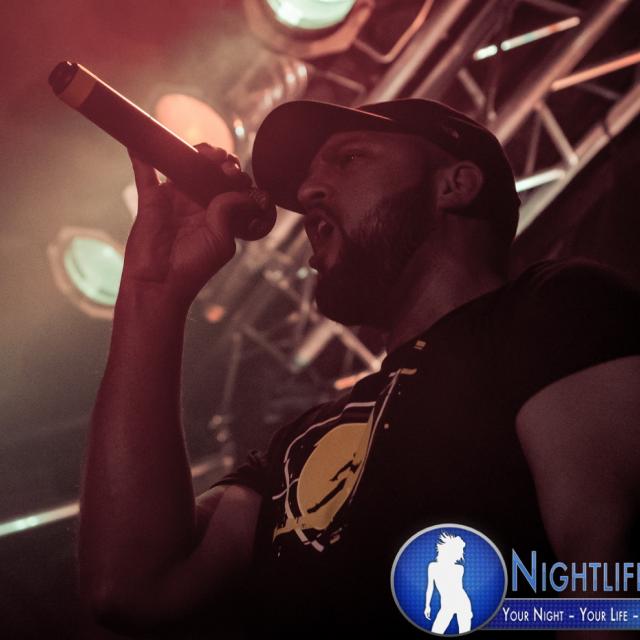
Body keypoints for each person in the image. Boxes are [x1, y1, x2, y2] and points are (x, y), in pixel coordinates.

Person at [78, 99, 640, 638]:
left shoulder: (556, 307)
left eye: (348, 158)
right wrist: (153, 293)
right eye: (308, 179)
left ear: (455, 185)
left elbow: (607, 568)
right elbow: (133, 587)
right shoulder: (297, 444)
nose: (307, 194)